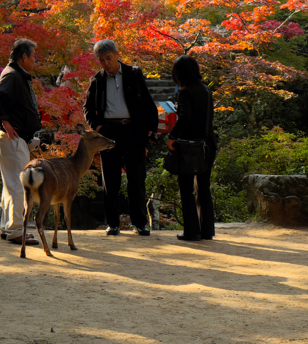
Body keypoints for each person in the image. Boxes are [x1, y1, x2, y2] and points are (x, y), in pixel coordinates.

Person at [82, 39, 159, 237]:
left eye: (109, 58)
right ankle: (113, 223)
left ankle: (140, 223)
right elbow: (88, 108)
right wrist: (98, 127)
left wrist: (151, 129)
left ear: (117, 54)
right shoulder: (97, 80)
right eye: (101, 60)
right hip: (109, 132)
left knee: (137, 179)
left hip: (133, 130)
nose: (106, 63)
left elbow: (148, 104)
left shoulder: (134, 74)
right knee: (110, 179)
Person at [0, 38, 41, 246]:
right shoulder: (12, 75)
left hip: (15, 138)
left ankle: (8, 226)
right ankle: (16, 229)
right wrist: (4, 121)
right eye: (33, 56)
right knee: (19, 184)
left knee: (11, 184)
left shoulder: (15, 74)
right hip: (14, 137)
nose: (35, 60)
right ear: (24, 56)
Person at [168, 54, 216, 242]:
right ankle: (207, 231)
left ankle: (191, 232)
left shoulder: (186, 92)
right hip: (208, 144)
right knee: (203, 187)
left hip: (189, 146)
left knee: (186, 187)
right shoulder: (206, 90)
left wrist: (172, 136)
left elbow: (185, 119)